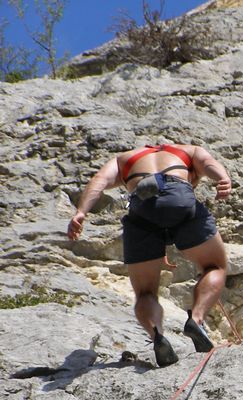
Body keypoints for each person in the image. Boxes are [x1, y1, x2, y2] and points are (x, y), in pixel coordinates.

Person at [67, 143, 232, 366]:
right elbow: (209, 164)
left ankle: (157, 336)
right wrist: (222, 179)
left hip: (141, 208)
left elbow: (100, 181)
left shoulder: (125, 159)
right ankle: (196, 319)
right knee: (215, 266)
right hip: (179, 197)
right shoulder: (188, 151)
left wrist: (81, 212)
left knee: (145, 292)